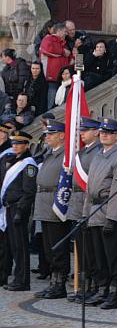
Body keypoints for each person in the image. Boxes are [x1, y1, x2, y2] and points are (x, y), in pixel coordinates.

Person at [84, 119, 117, 310]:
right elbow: (91, 187)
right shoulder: (98, 155)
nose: (104, 135)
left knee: (112, 255)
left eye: (109, 132)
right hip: (95, 210)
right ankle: (102, 288)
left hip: (108, 211)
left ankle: (114, 292)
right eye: (102, 132)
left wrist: (112, 218)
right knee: (98, 255)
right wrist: (85, 214)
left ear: (116, 135)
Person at [32, 120, 70, 299]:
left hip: (55, 204)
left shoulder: (65, 155)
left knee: (57, 247)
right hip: (43, 203)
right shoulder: (48, 153)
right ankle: (53, 282)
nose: (47, 136)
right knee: (48, 247)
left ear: (61, 135)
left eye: (51, 133)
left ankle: (59, 284)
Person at [66, 118, 102, 302]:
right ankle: (83, 285)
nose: (82, 133)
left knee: (91, 249)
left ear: (96, 132)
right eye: (81, 130)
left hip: (89, 203)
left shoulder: (98, 152)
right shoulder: (81, 152)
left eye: (86, 130)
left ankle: (93, 286)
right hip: (77, 202)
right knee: (80, 247)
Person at [0, 131, 38, 291]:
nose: (15, 146)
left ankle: (22, 281)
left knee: (20, 246)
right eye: (13, 143)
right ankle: (16, 278)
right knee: (12, 246)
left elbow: (29, 191)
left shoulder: (28, 164)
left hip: (18, 209)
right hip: (8, 207)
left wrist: (20, 211)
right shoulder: (12, 159)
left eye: (19, 143)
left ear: (26, 145)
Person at [39, 23, 71, 108]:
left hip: (61, 75)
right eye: (65, 31)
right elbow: (47, 50)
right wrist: (63, 52)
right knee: (52, 96)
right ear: (59, 31)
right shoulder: (49, 38)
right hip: (52, 74)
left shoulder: (62, 42)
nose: (66, 33)